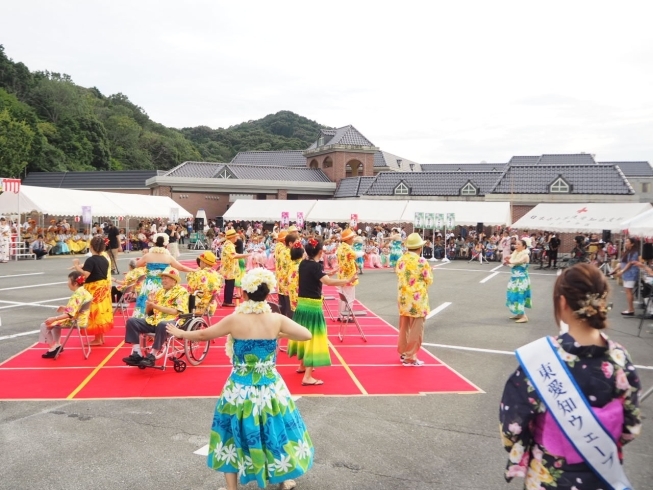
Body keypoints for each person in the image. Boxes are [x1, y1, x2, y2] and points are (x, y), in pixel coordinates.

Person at [166, 268, 314, 490]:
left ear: (244, 294)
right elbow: (306, 334)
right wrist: (280, 334)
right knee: (273, 431)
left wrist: (181, 334)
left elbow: (204, 334)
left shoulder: (234, 320)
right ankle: (283, 479)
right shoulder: (276, 319)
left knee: (231, 434)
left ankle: (232, 488)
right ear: (267, 295)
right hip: (270, 387)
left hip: (239, 388)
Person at [499, 263, 641, 489]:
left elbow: (512, 426)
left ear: (562, 303)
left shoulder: (540, 358)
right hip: (600, 473)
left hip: (547, 475)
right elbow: (631, 426)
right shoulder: (619, 358)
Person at [288, 238, 356, 385]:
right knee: (314, 337)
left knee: (303, 334)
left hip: (302, 305)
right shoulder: (315, 266)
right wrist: (346, 280)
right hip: (313, 307)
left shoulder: (304, 264)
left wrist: (330, 273)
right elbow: (327, 282)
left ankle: (302, 364)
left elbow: (317, 278)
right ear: (320, 251)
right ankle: (307, 376)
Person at [122, 267, 189, 367]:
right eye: (162, 278)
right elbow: (149, 313)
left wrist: (155, 306)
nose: (163, 280)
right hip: (155, 320)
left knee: (163, 324)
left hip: (173, 321)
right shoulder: (160, 292)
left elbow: (174, 311)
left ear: (174, 280)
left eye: (166, 278)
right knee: (132, 321)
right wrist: (149, 304)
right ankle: (137, 353)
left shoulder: (181, 291)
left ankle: (152, 355)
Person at [132, 233, 196, 318]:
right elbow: (181, 267)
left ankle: (142, 320)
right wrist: (193, 270)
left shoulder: (147, 256)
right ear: (165, 244)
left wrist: (147, 265)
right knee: (161, 302)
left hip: (149, 283)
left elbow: (137, 264)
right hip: (163, 283)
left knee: (146, 301)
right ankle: (159, 318)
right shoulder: (168, 257)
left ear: (154, 243)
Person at [395, 233, 433, 366]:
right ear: (420, 247)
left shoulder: (401, 259)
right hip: (417, 300)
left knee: (404, 326)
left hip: (404, 297)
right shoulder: (422, 261)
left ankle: (403, 352)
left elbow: (399, 275)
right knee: (416, 329)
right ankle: (410, 356)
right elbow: (429, 279)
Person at [39, 271, 93, 358]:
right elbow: (77, 308)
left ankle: (53, 347)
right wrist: (65, 308)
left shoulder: (77, 295)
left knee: (46, 324)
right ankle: (57, 345)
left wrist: (55, 318)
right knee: (55, 324)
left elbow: (70, 315)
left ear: (75, 283)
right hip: (83, 319)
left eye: (68, 281)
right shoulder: (84, 291)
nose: (67, 283)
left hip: (75, 321)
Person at [71, 236, 113, 345]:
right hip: (103, 287)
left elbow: (85, 274)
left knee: (95, 311)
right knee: (101, 311)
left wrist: (76, 266)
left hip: (94, 287)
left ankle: (98, 339)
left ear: (91, 247)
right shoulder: (104, 259)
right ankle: (100, 337)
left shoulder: (91, 259)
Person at [187, 251, 222, 316]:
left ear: (204, 263)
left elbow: (190, 289)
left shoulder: (198, 274)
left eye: (200, 261)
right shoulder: (218, 275)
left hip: (197, 306)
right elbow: (217, 291)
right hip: (210, 305)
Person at [504, 238, 531, 323]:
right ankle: (519, 314)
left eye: (519, 244)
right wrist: (508, 260)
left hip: (521, 280)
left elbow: (518, 261)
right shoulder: (515, 254)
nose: (516, 245)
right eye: (516, 244)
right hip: (514, 279)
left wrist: (509, 261)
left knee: (520, 296)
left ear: (524, 246)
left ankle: (524, 316)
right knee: (513, 295)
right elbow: (511, 261)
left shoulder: (525, 255)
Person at [220, 229, 249, 307]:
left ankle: (227, 300)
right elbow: (234, 255)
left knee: (229, 284)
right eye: (235, 237)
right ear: (232, 237)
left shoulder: (228, 244)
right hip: (229, 269)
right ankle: (227, 301)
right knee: (230, 285)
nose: (236, 238)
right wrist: (247, 255)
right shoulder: (229, 245)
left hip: (228, 268)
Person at [336, 228, 360, 321]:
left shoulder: (340, 247)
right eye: (352, 238)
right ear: (348, 239)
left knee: (342, 296)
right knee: (349, 297)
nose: (353, 239)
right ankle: (346, 316)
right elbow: (355, 254)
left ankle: (340, 315)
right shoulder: (347, 248)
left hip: (342, 275)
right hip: (349, 276)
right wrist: (363, 253)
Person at [614, 237, 639, 316]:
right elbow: (622, 262)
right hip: (626, 274)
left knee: (628, 291)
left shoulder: (634, 252)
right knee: (628, 291)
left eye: (627, 241)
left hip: (631, 274)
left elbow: (630, 263)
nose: (625, 243)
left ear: (632, 244)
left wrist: (622, 271)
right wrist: (616, 269)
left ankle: (631, 309)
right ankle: (630, 308)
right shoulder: (627, 251)